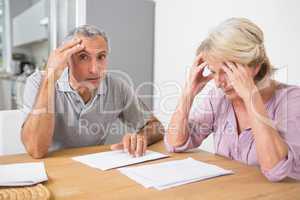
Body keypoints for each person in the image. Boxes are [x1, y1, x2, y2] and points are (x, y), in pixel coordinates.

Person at [165, 18, 300, 182]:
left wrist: (251, 97)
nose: (218, 82)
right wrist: (188, 93)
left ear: (255, 66)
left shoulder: (292, 100)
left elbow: (276, 170)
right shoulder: (219, 98)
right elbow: (175, 143)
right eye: (214, 72)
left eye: (227, 71)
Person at [21, 25, 163, 159]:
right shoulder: (39, 82)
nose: (95, 69)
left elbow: (156, 126)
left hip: (93, 169)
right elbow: (35, 150)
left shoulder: (117, 86)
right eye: (83, 57)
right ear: (66, 59)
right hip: (50, 169)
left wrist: (141, 137)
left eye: (101, 56)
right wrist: (50, 78)